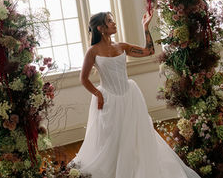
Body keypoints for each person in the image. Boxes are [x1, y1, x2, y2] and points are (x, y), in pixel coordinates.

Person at [68, 11, 201, 178]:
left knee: (135, 134)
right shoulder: (92, 51)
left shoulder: (121, 46)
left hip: (129, 95)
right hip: (109, 98)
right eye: (110, 21)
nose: (114, 23)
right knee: (112, 138)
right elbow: (84, 78)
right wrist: (98, 95)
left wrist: (145, 26)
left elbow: (149, 51)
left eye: (113, 20)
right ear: (101, 28)